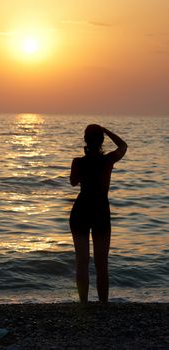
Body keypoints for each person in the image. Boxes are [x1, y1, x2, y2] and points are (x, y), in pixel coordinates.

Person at [69, 124, 127, 303]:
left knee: (82, 262)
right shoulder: (108, 160)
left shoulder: (78, 162)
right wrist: (106, 130)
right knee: (101, 264)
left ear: (85, 140)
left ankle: (84, 304)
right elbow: (123, 146)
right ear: (102, 141)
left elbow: (73, 182)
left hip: (81, 211)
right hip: (100, 211)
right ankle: (103, 305)